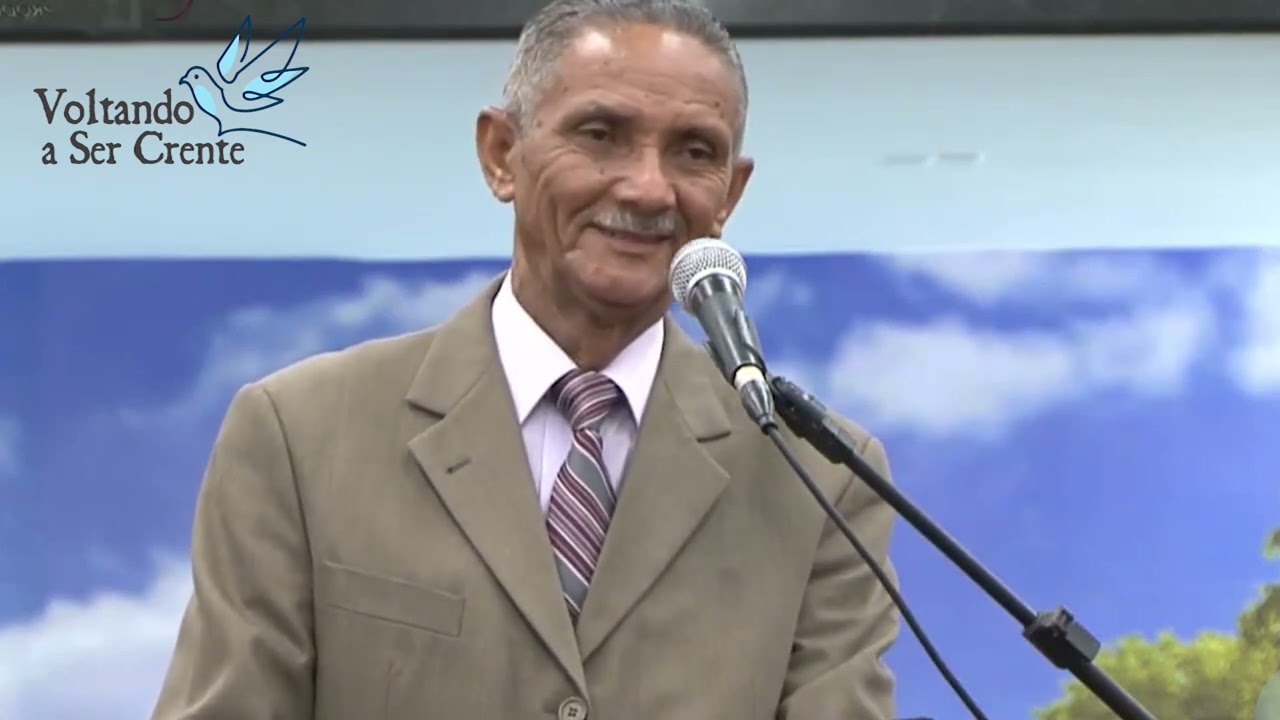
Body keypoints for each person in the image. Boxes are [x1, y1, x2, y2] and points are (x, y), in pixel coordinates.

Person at [151, 0, 901, 717]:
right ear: (501, 154)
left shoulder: (822, 477)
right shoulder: (300, 435)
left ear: (730, 192)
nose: (649, 188)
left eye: (694, 152)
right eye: (601, 134)